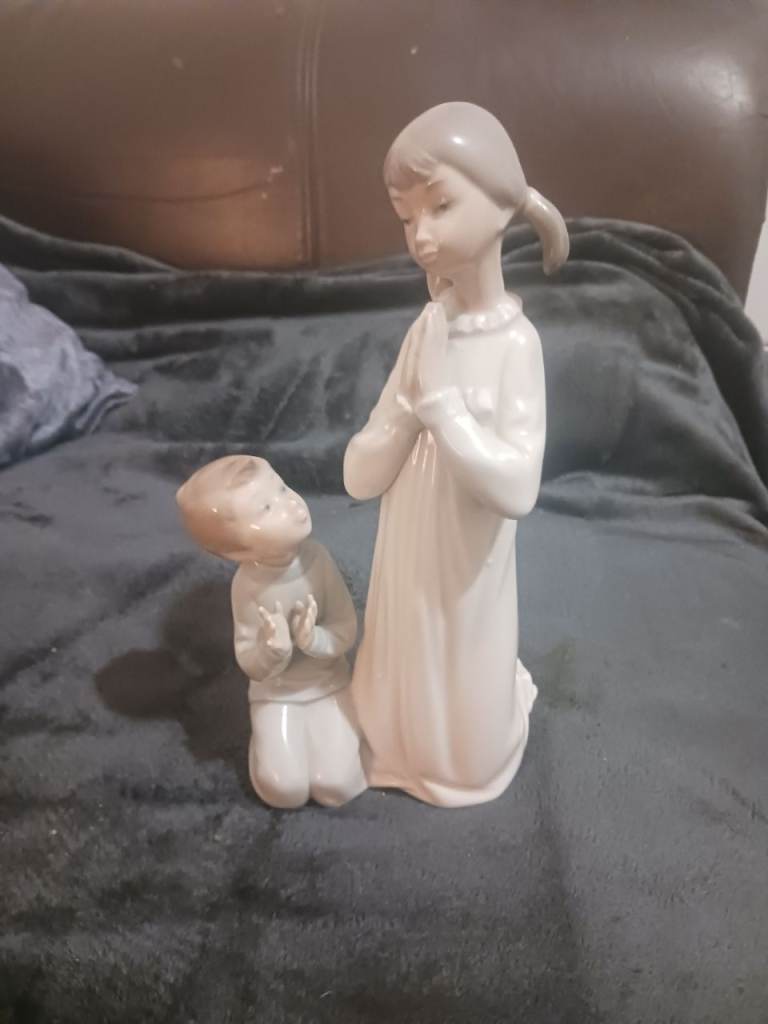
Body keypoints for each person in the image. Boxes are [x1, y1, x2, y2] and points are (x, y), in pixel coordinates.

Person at [343, 102, 569, 808]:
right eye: (407, 217)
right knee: (387, 712)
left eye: (440, 206)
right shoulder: (427, 332)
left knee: (466, 750)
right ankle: (398, 745)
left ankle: (471, 742)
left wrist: (441, 408)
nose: (421, 235)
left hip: (468, 571)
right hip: (406, 564)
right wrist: (405, 414)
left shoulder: (515, 346)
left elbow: (518, 489)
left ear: (501, 204)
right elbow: (358, 477)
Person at [177, 455, 366, 809]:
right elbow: (249, 660)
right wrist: (272, 651)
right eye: (265, 508)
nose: (291, 503)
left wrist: (314, 640)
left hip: (328, 684)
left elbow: (346, 627)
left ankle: (329, 743)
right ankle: (273, 751)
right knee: (285, 789)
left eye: (281, 488)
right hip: (277, 695)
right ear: (237, 551)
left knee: (337, 786)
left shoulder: (318, 560)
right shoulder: (247, 587)